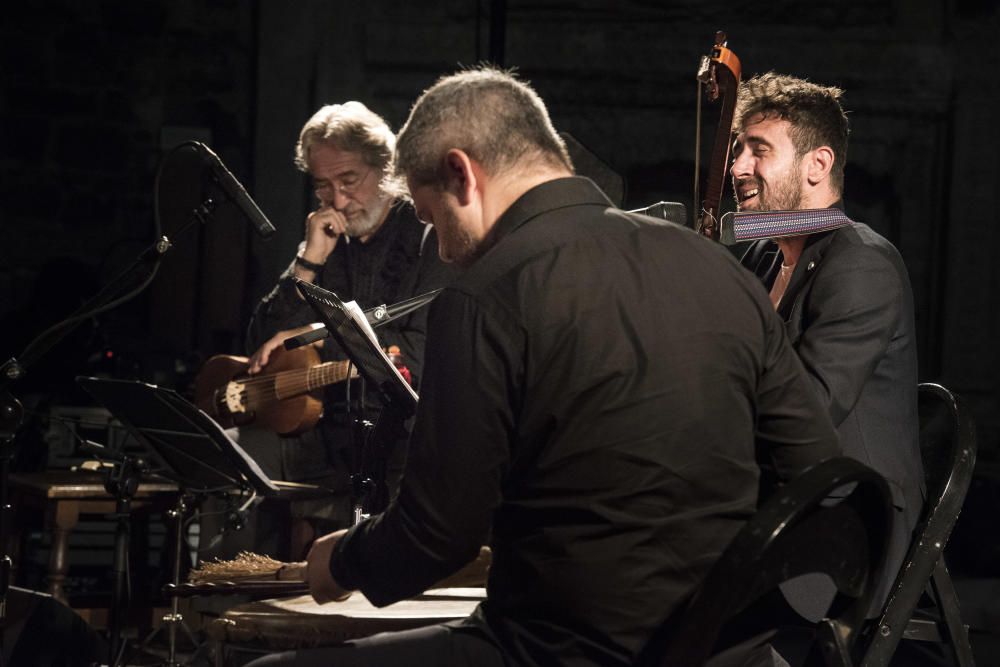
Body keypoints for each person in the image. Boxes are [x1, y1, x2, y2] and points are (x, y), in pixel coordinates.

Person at [250, 66, 840, 667]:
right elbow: (820, 470)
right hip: (727, 653)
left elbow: (436, 536)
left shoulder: (482, 297)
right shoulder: (721, 271)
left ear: (463, 174)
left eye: (433, 222)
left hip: (552, 651)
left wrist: (340, 562)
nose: (445, 252)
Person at [731, 72, 924, 620]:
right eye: (739, 150)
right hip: (772, 504)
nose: (738, 167)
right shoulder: (760, 258)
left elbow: (808, 411)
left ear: (817, 165)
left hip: (842, 528)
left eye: (758, 150)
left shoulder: (862, 262)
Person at [241, 101, 460, 552]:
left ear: (386, 169)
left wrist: (314, 345)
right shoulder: (327, 237)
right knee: (231, 460)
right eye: (323, 186)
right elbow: (262, 347)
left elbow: (413, 354)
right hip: (319, 434)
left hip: (395, 440)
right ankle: (229, 609)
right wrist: (309, 259)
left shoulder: (426, 234)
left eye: (349, 181)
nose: (337, 201)